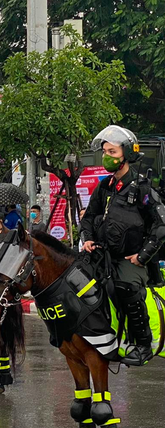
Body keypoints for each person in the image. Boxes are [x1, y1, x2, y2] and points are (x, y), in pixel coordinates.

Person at [81, 125, 165, 366]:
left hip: (131, 259)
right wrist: (87, 238)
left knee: (126, 287)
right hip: (102, 255)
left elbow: (161, 226)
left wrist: (142, 256)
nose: (107, 157)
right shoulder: (104, 187)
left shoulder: (142, 188)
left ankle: (142, 344)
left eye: (113, 152)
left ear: (127, 154)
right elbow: (88, 217)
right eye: (105, 152)